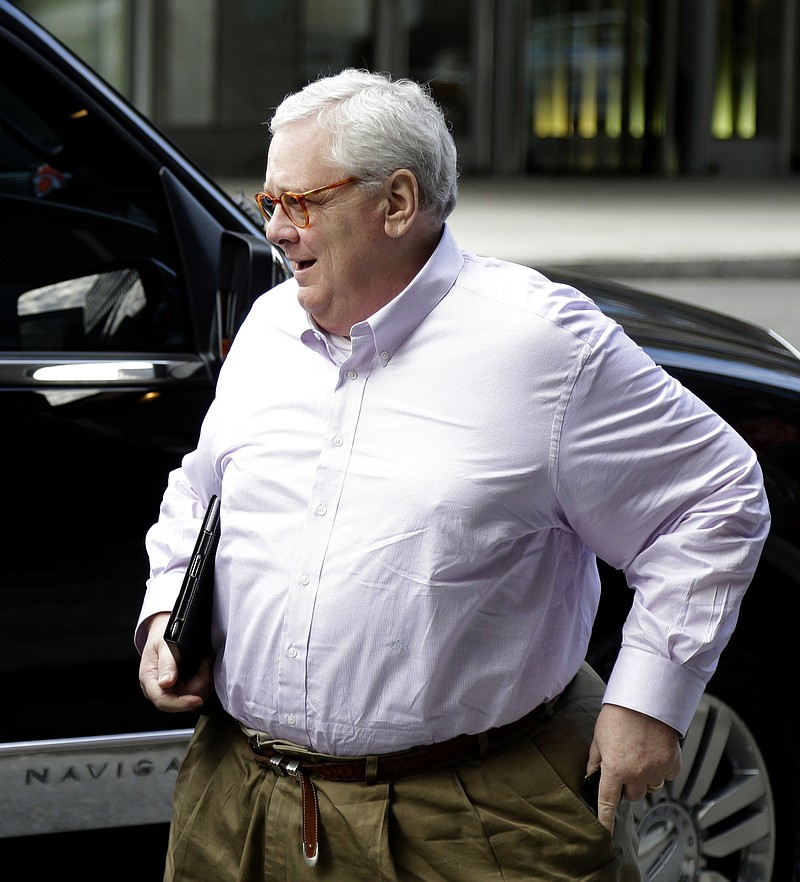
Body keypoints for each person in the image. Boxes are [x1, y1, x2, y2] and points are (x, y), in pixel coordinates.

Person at [136, 68, 770, 882]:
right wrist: (165, 617)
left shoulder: (542, 347)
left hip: (471, 819)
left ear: (396, 203)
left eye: (300, 204)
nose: (277, 232)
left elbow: (713, 494)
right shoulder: (267, 327)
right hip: (239, 800)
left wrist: (650, 699)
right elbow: (201, 491)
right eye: (268, 204)